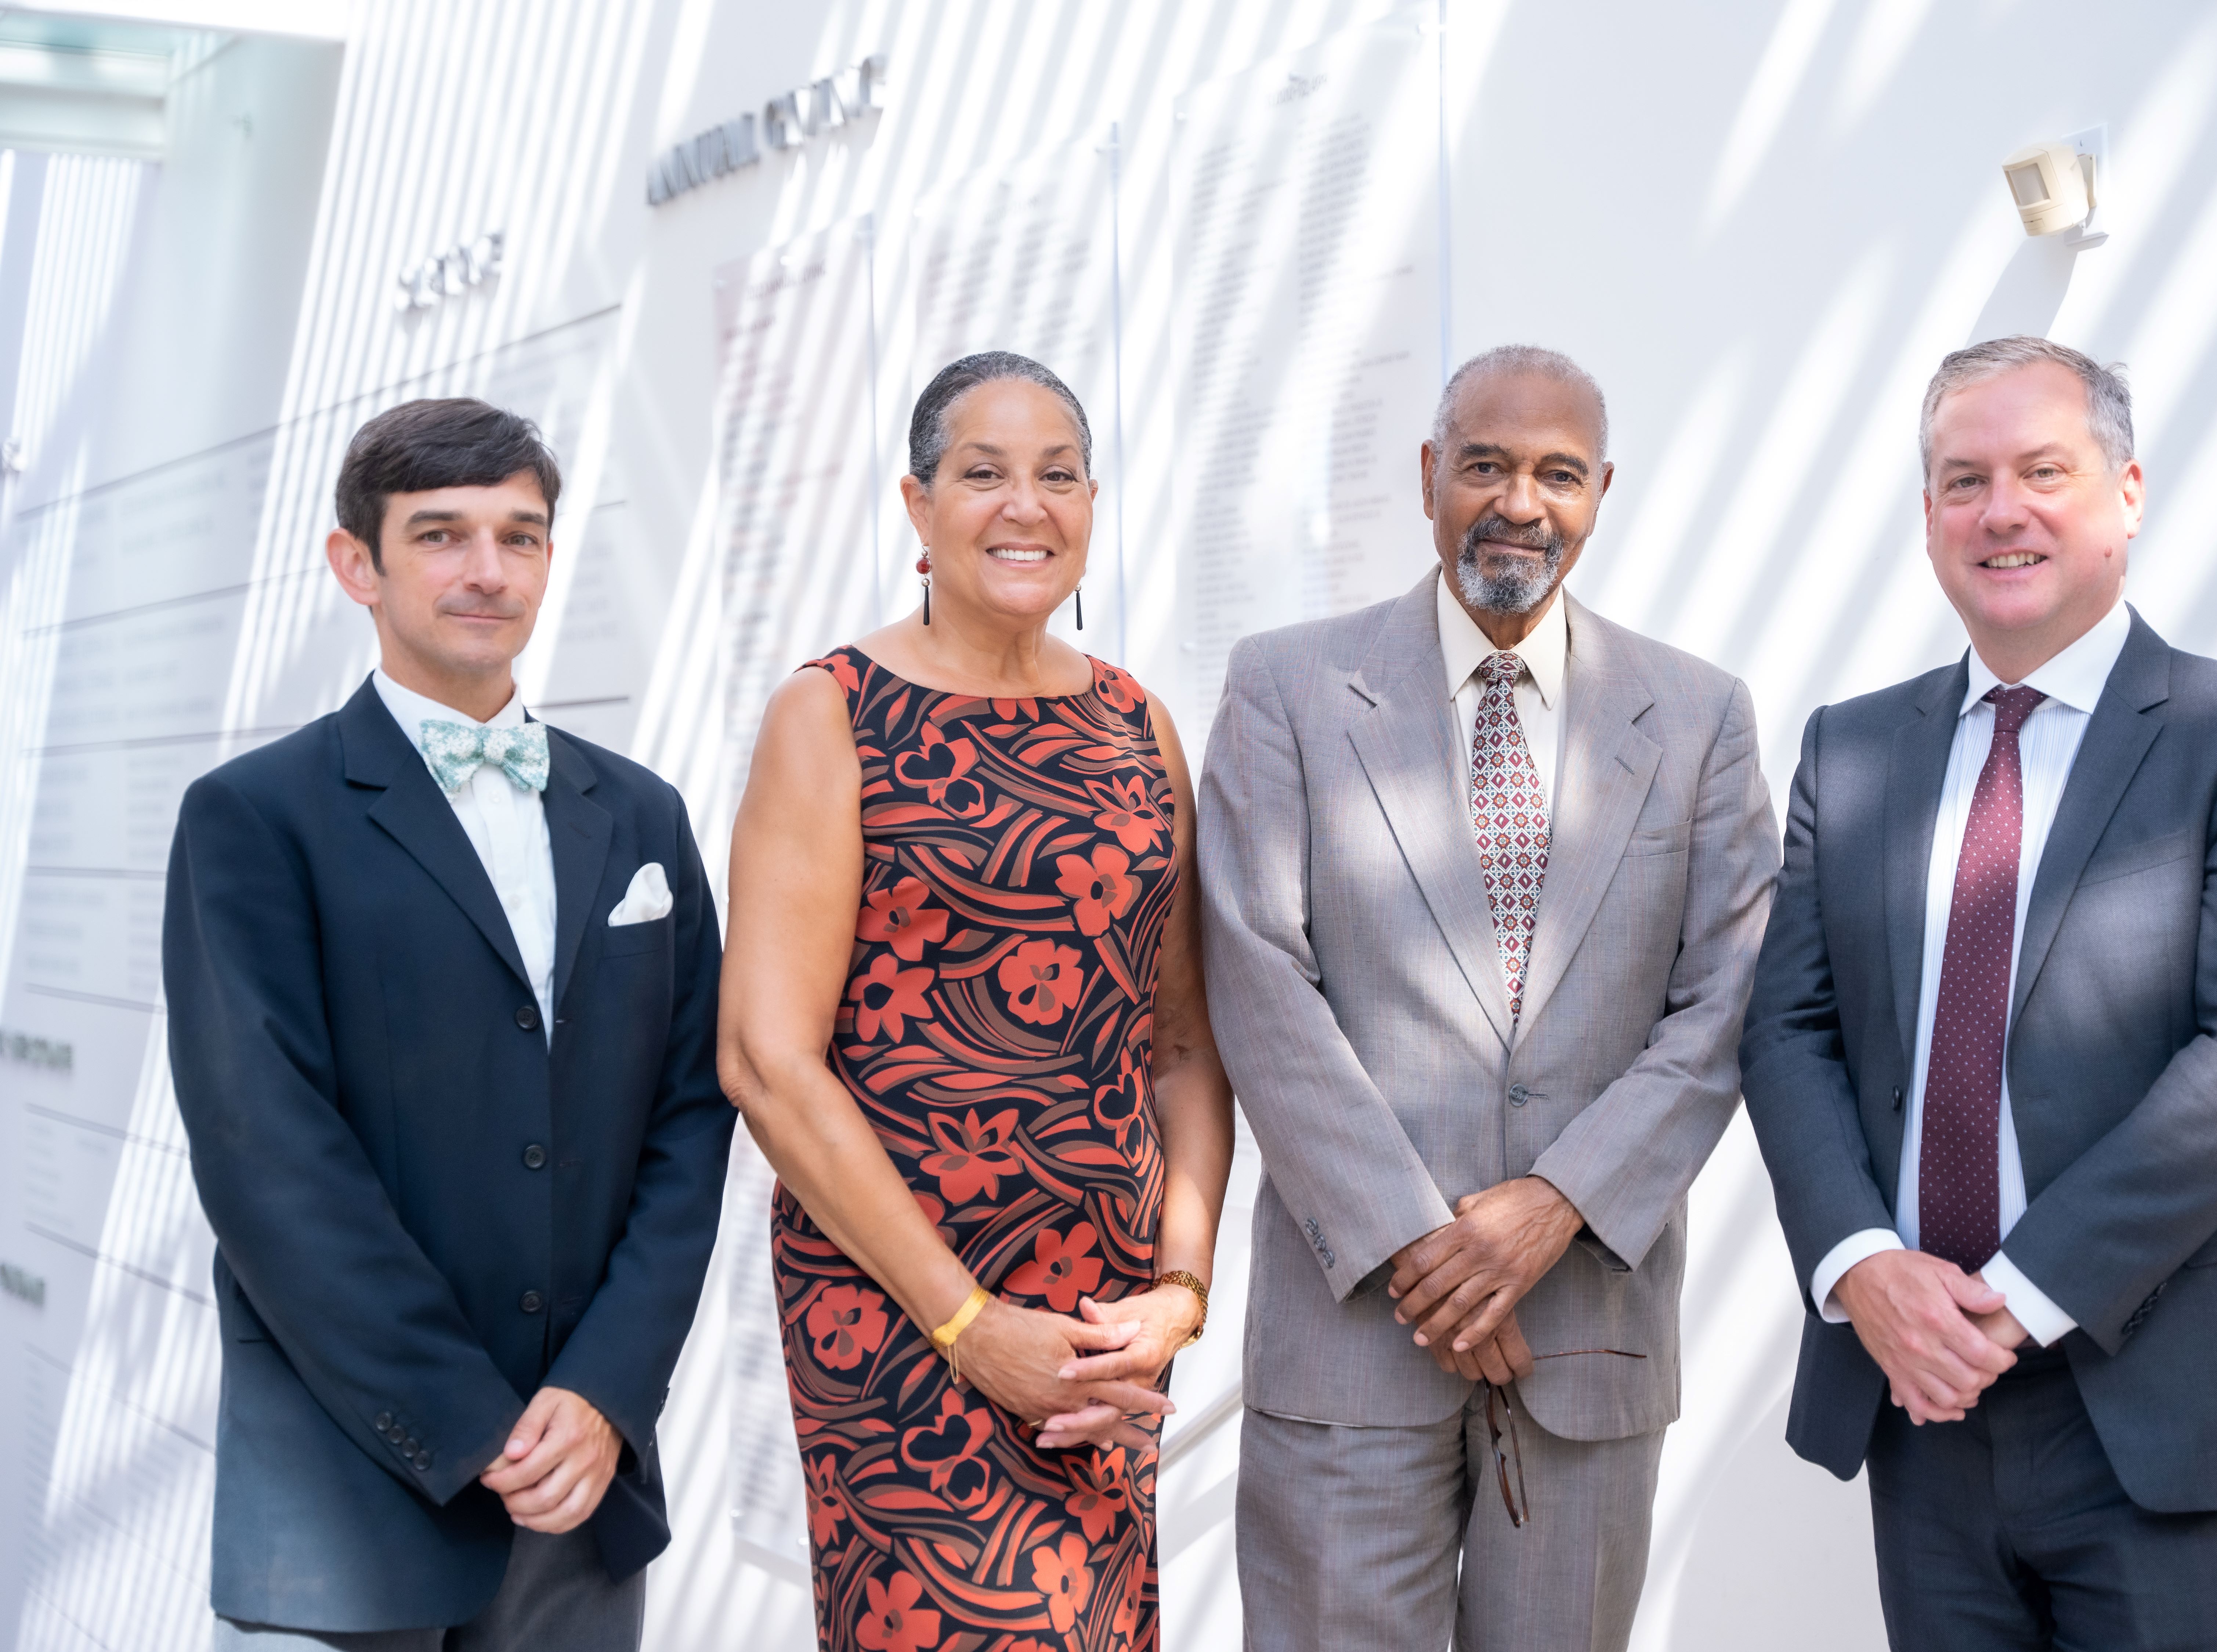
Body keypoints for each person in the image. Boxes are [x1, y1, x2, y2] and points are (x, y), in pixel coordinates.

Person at [1739, 335, 2217, 1650]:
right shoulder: (1851, 749)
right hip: (1922, 1396)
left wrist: (2016, 1295)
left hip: (2162, 1390)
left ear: (2126, 493)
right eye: (1965, 481)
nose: (2000, 510)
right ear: (1927, 518)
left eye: (2043, 471)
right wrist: (1862, 1268)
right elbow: (1789, 1030)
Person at [1198, 345, 1778, 1651]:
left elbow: (1726, 1001)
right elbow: (1257, 976)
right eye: (1486, 464)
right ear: (1428, 476)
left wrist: (1554, 1207)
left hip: (1589, 1341)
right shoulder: (1287, 689)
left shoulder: (1700, 717)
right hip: (1352, 1340)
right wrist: (1427, 1250)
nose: (1520, 502)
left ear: (1602, 492)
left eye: (1558, 473)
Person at [161, 398, 735, 1649]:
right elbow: (269, 1157)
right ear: (355, 563)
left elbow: (693, 1120)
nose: (488, 570)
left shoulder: (644, 816)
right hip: (345, 1481)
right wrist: (470, 1423)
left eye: (519, 536)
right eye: (441, 534)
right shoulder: (253, 816)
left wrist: (606, 1389)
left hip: (583, 1481)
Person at [719, 351, 1233, 1652]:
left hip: (1101, 1332)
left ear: (1093, 505)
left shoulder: (1140, 726)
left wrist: (1180, 1291)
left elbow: (1182, 1047)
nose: (1025, 505)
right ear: (918, 502)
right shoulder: (832, 714)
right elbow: (767, 1062)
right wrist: (968, 1323)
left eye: (1058, 474)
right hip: (899, 1312)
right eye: (983, 472)